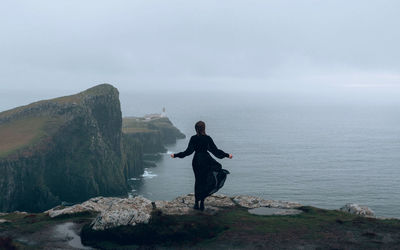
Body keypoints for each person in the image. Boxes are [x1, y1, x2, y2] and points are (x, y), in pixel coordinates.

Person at [171, 121, 233, 211]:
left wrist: (176, 155)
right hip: (206, 160)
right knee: (205, 181)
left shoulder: (193, 138)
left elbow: (188, 152)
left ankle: (196, 203)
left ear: (196, 129)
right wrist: (227, 155)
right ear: (204, 128)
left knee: (198, 181)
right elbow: (215, 151)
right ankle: (202, 203)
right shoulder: (207, 138)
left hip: (196, 161)